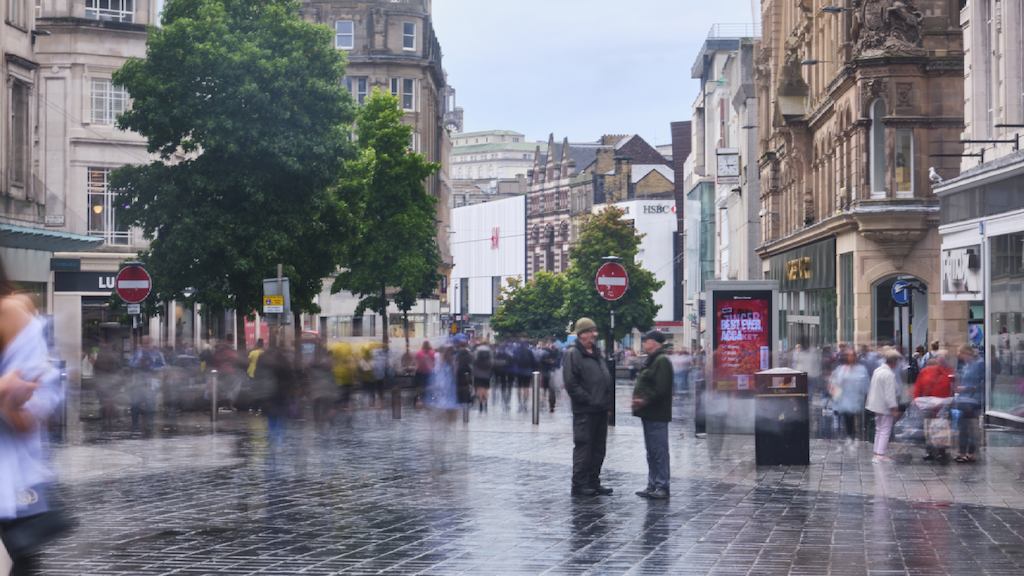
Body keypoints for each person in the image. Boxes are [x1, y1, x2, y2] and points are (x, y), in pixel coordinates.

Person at [0, 262, 65, 575]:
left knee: (23, 561)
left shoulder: (11, 314)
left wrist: (12, 403)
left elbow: (31, 416)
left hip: (11, 484)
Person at [563, 318, 614, 497]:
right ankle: (579, 484)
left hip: (600, 409)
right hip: (585, 410)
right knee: (584, 447)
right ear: (582, 334)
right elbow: (571, 383)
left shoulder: (596, 353)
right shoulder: (573, 353)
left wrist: (607, 403)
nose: (594, 334)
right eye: (591, 331)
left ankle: (593, 481)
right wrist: (588, 400)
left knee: (598, 449)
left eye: (594, 331)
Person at [631, 330, 673, 500]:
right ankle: (653, 484)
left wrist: (644, 399)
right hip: (648, 413)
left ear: (654, 343)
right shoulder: (652, 359)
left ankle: (662, 485)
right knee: (651, 451)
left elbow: (661, 388)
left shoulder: (661, 361)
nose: (644, 344)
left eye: (646, 341)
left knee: (659, 451)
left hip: (657, 413)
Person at [913, 351, 954, 462]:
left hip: (942, 404)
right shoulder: (926, 371)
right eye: (939, 358)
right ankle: (931, 450)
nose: (941, 360)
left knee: (941, 427)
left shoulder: (949, 372)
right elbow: (919, 385)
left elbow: (952, 387)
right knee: (929, 426)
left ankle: (940, 451)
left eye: (943, 358)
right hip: (929, 404)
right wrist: (916, 399)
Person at [829, 349, 869, 451]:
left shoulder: (861, 369)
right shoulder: (841, 369)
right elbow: (835, 382)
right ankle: (850, 437)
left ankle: (855, 437)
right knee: (848, 418)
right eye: (848, 355)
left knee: (857, 419)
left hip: (857, 399)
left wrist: (864, 395)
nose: (850, 357)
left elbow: (865, 384)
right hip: (845, 399)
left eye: (852, 355)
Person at [866, 350, 902, 463]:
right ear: (894, 362)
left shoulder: (878, 371)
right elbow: (889, 394)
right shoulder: (888, 374)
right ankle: (880, 454)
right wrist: (893, 408)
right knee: (885, 430)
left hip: (876, 405)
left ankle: (877, 452)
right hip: (885, 406)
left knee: (879, 429)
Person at [955, 345, 985, 463]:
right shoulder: (966, 366)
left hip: (973, 400)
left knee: (970, 427)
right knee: (963, 426)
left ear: (967, 353)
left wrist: (966, 388)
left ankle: (970, 453)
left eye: (961, 354)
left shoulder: (979, 364)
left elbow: (981, 383)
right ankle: (963, 452)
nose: (960, 357)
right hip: (964, 399)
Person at [129, 336, 165, 431]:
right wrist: (138, 363)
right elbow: (131, 363)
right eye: (144, 343)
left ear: (152, 343)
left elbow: (162, 366)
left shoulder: (157, 354)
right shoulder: (137, 353)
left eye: (148, 343)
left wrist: (152, 367)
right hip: (138, 380)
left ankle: (150, 424)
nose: (146, 345)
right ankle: (135, 425)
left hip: (151, 381)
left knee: (150, 403)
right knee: (135, 403)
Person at [540, 340, 562, 413]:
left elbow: (540, 361)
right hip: (551, 372)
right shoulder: (555, 352)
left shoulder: (544, 352)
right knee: (551, 389)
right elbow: (557, 363)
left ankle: (544, 403)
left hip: (546, 372)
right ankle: (551, 406)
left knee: (545, 389)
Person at [472, 340, 493, 413]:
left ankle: (480, 404)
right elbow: (491, 362)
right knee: (486, 389)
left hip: (477, 373)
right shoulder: (489, 351)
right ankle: (486, 402)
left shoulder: (477, 350)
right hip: (487, 373)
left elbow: (473, 361)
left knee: (479, 388)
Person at [413, 341, 435, 409]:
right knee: (429, 388)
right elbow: (434, 364)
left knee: (419, 389)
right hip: (428, 373)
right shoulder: (432, 353)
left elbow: (416, 363)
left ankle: (418, 402)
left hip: (420, 373)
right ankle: (429, 402)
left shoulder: (419, 353)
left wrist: (415, 369)